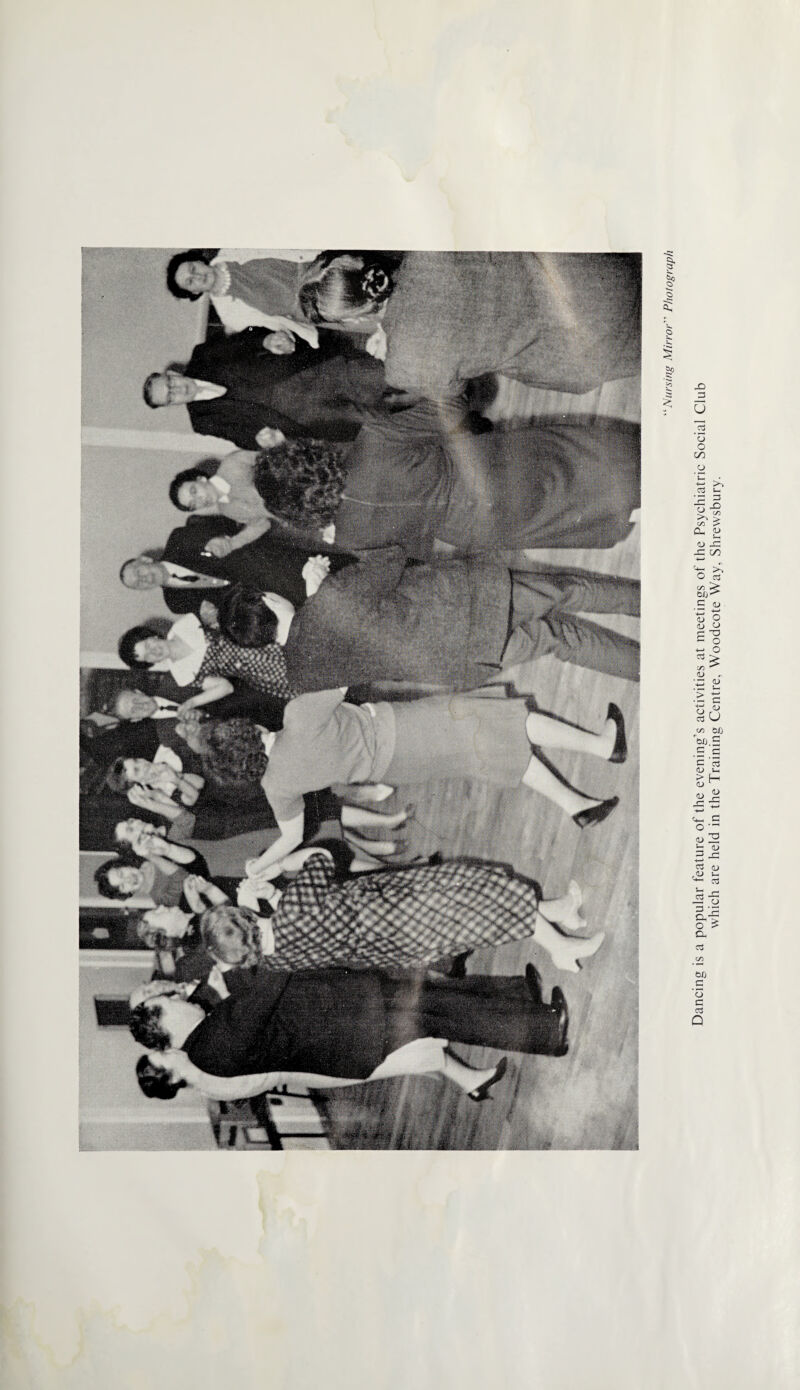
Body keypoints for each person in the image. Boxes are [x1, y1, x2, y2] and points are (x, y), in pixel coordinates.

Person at [186, 690, 627, 881]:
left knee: (492, 749)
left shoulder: (274, 786)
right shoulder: (297, 717)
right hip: (407, 728)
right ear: (245, 728)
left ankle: (577, 804)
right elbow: (342, 674)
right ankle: (602, 745)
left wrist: (261, 865)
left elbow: (292, 837)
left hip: (399, 768)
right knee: (506, 720)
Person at [129, 963, 570, 1103]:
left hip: (348, 1025)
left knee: (444, 1011)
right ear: (165, 1031)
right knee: (446, 1014)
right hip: (353, 1027)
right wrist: (259, 957)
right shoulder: (210, 1045)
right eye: (167, 1004)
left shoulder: (207, 1042)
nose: (176, 997)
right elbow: (268, 993)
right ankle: (547, 1030)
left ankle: (537, 1019)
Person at [252, 404, 641, 559]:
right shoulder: (375, 440)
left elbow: (415, 550)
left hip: (475, 528)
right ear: (305, 453)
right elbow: (452, 406)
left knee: (581, 514)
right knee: (594, 459)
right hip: (489, 470)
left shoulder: (347, 538)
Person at [218, 546, 641, 686]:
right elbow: (392, 558)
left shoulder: (300, 676)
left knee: (562, 640)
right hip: (476, 602)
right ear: (270, 602)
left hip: (466, 661)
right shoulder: (331, 597)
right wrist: (322, 582)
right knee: (569, 592)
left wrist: (321, 596)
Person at [303, 251, 642, 397]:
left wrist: (392, 346)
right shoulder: (429, 251)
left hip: (594, 352)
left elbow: (456, 392)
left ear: (356, 317)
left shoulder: (404, 369)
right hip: (602, 276)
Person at [199, 855, 604, 974]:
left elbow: (295, 929)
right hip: (402, 906)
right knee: (485, 895)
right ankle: (562, 948)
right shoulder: (296, 908)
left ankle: (559, 912)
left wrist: (268, 897)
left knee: (487, 908)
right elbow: (321, 858)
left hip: (395, 941)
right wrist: (276, 866)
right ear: (243, 916)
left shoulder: (273, 961)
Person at [142, 323, 392, 449]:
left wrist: (267, 339)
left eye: (170, 383)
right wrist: (261, 439)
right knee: (380, 422)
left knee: (385, 376)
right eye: (170, 396)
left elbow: (245, 340)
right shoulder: (203, 422)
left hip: (312, 373)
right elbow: (243, 439)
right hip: (304, 418)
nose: (177, 389)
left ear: (173, 373)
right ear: (171, 405)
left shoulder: (203, 356)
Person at [119, 513, 351, 614]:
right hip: (261, 598)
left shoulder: (180, 539)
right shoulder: (175, 602)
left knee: (341, 572)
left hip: (261, 563)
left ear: (146, 560)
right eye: (138, 583)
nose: (144, 578)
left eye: (139, 571)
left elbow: (226, 535)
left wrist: (222, 542)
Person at [167, 249, 321, 345]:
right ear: (194, 292)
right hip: (316, 310)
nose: (198, 276)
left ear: (199, 260)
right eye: (190, 281)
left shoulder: (233, 248)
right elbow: (274, 328)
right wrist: (279, 338)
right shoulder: (230, 316)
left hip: (318, 266)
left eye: (193, 268)